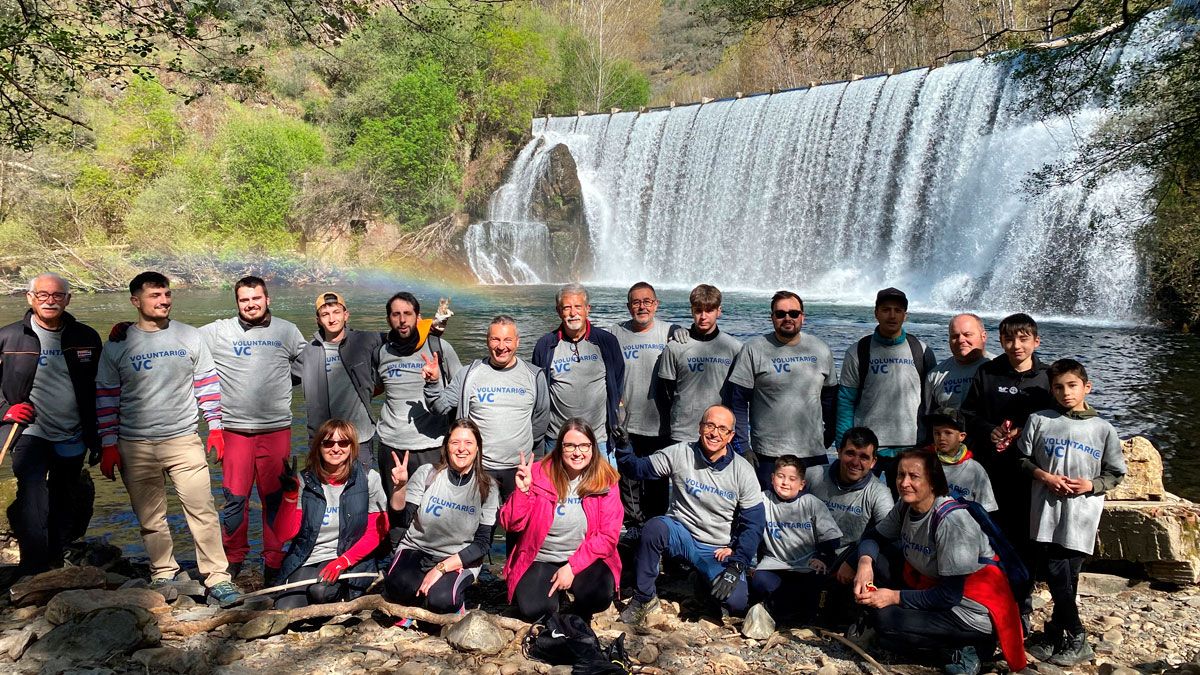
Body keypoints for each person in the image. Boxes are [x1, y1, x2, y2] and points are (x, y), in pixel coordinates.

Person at [95, 271, 241, 606]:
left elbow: (206, 382)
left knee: (202, 510)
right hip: (136, 444)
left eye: (166, 294)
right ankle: (163, 572)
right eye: (154, 296)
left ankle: (217, 577)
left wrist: (215, 427)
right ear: (136, 301)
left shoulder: (188, 336)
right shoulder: (117, 345)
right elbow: (106, 396)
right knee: (150, 518)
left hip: (184, 440)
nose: (163, 301)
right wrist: (108, 444)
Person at [851, 450, 1026, 675]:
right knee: (878, 560)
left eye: (914, 477)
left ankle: (969, 648)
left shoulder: (951, 522)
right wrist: (864, 566)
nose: (904, 483)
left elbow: (948, 595)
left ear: (933, 481)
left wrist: (892, 597)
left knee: (885, 622)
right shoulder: (905, 506)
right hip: (932, 584)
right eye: (900, 475)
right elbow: (873, 536)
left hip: (969, 607)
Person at [1016, 359, 1126, 666]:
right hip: (1046, 512)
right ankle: (1056, 633)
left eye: (1072, 385)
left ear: (1086, 387)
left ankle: (1076, 637)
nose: (1066, 392)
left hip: (1081, 514)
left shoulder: (1102, 428)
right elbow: (1021, 459)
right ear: (1051, 390)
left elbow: (1116, 472)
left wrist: (1090, 484)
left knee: (1064, 574)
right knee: (1056, 572)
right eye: (1059, 387)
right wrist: (1045, 477)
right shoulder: (1040, 420)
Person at [199, 276, 306, 584]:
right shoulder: (218, 331)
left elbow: (308, 362)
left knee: (274, 497)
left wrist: (288, 380)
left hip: (275, 430)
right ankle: (234, 559)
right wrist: (131, 330)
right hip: (234, 430)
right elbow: (181, 342)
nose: (251, 304)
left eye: (256, 298)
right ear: (237, 303)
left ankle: (273, 560)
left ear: (267, 298)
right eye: (244, 300)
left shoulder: (287, 330)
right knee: (235, 499)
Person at [616, 405, 764, 625]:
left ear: (731, 435)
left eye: (723, 429)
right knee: (654, 528)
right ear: (700, 427)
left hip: (715, 548)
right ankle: (644, 597)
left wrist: (737, 564)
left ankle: (702, 581)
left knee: (736, 603)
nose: (715, 433)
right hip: (681, 534)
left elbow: (754, 524)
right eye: (710, 425)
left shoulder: (743, 470)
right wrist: (624, 446)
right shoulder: (680, 452)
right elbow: (638, 470)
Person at [1, 273, 102, 576]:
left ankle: (55, 561)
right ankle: (33, 568)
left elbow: (102, 385)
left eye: (57, 295)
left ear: (68, 299)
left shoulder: (86, 336)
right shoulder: (8, 337)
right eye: (42, 295)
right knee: (32, 498)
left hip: (73, 431)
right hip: (30, 430)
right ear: (30, 298)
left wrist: (98, 438)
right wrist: (6, 409)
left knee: (64, 498)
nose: (50, 300)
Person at [959, 313, 1053, 626]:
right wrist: (989, 430)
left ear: (1036, 341)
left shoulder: (1048, 379)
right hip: (991, 471)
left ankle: (1022, 604)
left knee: (1027, 539)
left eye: (1024, 339)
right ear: (1000, 341)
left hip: (1031, 475)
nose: (1016, 346)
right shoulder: (988, 372)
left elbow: (1059, 421)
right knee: (989, 533)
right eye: (1009, 339)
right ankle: (986, 599)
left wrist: (1025, 429)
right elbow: (967, 416)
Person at [423, 316, 549, 528]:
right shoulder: (469, 373)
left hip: (518, 469)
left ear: (517, 341)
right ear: (487, 341)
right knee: (477, 530)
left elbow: (540, 420)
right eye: (495, 340)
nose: (501, 347)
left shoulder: (534, 376)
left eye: (507, 340)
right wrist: (433, 382)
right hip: (480, 469)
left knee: (520, 529)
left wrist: (519, 446)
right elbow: (440, 407)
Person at [499, 418, 623, 622]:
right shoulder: (537, 473)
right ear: (559, 448)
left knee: (598, 596)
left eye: (584, 446)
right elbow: (511, 524)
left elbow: (608, 536)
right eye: (570, 446)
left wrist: (572, 568)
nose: (577, 452)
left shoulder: (606, 479)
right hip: (542, 556)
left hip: (585, 558)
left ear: (593, 448)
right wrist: (522, 492)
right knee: (534, 610)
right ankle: (554, 603)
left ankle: (576, 612)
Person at [383, 419, 498, 618]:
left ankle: (441, 598)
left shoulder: (488, 487)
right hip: (417, 548)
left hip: (457, 557)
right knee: (397, 588)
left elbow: (482, 544)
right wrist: (400, 487)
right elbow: (401, 519)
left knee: (442, 601)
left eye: (468, 443)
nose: (461, 449)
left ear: (478, 448)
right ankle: (416, 600)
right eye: (455, 443)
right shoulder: (427, 474)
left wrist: (441, 568)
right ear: (446, 446)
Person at [273, 419, 388, 609]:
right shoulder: (303, 481)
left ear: (352, 447)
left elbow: (378, 531)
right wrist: (290, 497)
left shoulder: (369, 478)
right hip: (309, 556)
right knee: (285, 608)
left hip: (349, 557)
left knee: (321, 592)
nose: (336, 449)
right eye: (328, 443)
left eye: (343, 443)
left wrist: (344, 561)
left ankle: (345, 601)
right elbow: (283, 535)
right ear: (319, 446)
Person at [725, 290, 836, 486]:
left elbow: (830, 398)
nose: (787, 318)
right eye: (780, 314)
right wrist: (742, 446)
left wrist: (828, 436)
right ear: (772, 318)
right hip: (767, 454)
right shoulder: (754, 349)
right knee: (767, 513)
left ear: (803, 316)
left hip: (812, 453)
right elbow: (738, 401)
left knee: (813, 513)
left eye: (793, 313)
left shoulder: (821, 349)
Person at [375, 292, 462, 537]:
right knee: (395, 510)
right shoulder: (381, 352)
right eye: (396, 314)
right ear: (389, 319)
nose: (402, 320)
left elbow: (460, 389)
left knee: (433, 509)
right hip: (391, 444)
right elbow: (372, 386)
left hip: (431, 445)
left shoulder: (439, 348)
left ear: (418, 317)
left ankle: (434, 559)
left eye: (407, 314)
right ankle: (394, 562)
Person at [836, 288, 937, 488]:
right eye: (886, 310)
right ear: (876, 313)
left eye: (898, 310)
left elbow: (932, 401)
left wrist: (931, 444)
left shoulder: (922, 351)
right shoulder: (858, 351)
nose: (892, 315)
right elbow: (846, 400)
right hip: (866, 449)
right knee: (859, 505)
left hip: (911, 448)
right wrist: (843, 445)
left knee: (907, 509)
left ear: (905, 315)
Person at [609, 282, 680, 536]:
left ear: (656, 304)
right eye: (636, 302)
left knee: (657, 487)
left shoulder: (671, 332)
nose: (642, 306)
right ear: (629, 306)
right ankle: (633, 536)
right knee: (628, 486)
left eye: (647, 301)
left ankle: (655, 537)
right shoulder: (616, 333)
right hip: (626, 426)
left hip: (660, 426)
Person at [804, 427, 894, 624]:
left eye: (864, 457)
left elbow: (888, 537)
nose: (855, 462)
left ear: (873, 462)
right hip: (806, 554)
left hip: (846, 562)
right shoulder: (814, 475)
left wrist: (855, 562)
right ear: (839, 451)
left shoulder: (880, 493)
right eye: (850, 453)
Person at [532, 284, 624, 461]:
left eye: (578, 307)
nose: (573, 313)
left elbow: (617, 382)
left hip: (600, 439)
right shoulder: (545, 345)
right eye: (567, 307)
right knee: (555, 489)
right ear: (559, 311)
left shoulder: (606, 342)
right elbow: (539, 390)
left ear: (587, 309)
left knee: (604, 488)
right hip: (557, 439)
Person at [749, 455, 842, 622]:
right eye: (780, 476)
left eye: (792, 479)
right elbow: (749, 528)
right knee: (759, 581)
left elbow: (831, 538)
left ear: (801, 484)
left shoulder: (812, 504)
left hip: (806, 565)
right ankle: (781, 610)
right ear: (772, 478)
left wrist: (822, 558)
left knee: (815, 585)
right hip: (775, 563)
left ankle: (795, 614)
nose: (785, 483)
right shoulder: (763, 500)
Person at [298, 291, 384, 467]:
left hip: (360, 437)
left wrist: (433, 329)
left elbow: (402, 339)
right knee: (326, 493)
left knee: (363, 490)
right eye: (325, 314)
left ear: (346, 315)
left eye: (336, 312)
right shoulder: (309, 351)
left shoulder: (366, 340)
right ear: (318, 319)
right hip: (325, 441)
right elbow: (281, 377)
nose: (332, 319)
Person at [657, 285, 740, 445]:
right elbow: (666, 392)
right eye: (698, 310)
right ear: (691, 311)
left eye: (709, 310)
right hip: (683, 432)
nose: (703, 316)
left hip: (720, 433)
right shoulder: (675, 347)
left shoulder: (734, 348)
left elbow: (738, 394)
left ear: (719, 311)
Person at [926, 409, 997, 512]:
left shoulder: (975, 470)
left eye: (948, 433)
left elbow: (986, 510)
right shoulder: (923, 463)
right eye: (937, 433)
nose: (941, 438)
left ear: (961, 436)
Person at [925, 314, 994, 412]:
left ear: (983, 336)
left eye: (967, 334)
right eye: (955, 336)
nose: (961, 340)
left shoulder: (1002, 368)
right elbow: (928, 418)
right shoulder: (935, 376)